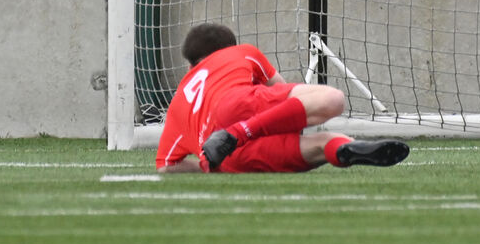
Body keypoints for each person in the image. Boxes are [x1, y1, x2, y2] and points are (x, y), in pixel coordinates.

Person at [155, 22, 409, 173]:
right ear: (228, 49)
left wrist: (206, 163)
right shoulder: (241, 53)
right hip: (236, 106)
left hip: (225, 158)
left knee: (324, 144)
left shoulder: (178, 104)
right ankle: (238, 133)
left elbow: (166, 166)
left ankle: (343, 147)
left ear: (190, 66)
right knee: (333, 100)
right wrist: (244, 130)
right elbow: (283, 90)